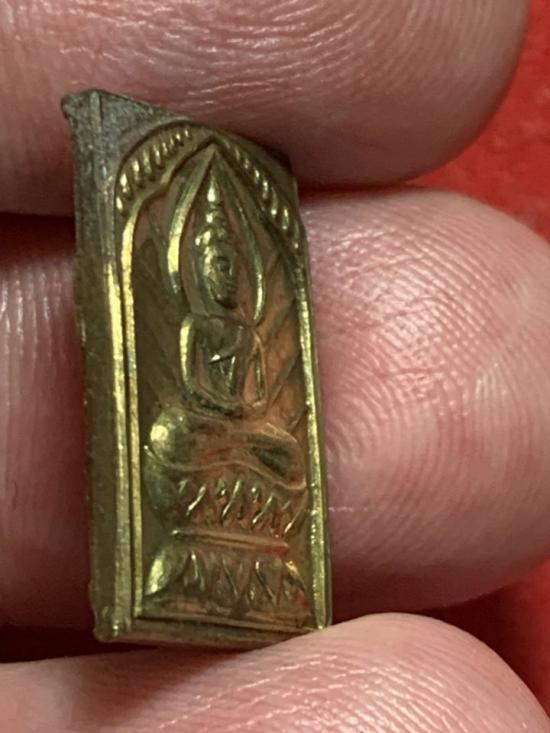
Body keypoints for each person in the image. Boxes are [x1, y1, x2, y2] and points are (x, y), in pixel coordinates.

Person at [2, 2, 550, 731]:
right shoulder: (199, 327)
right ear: (195, 269)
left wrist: (241, 433)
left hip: (245, 463)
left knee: (282, 457)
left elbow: (257, 409)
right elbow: (197, 405)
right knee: (170, 438)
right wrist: (214, 427)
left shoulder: (243, 332)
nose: (224, 274)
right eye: (212, 263)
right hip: (200, 450)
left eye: (232, 263)